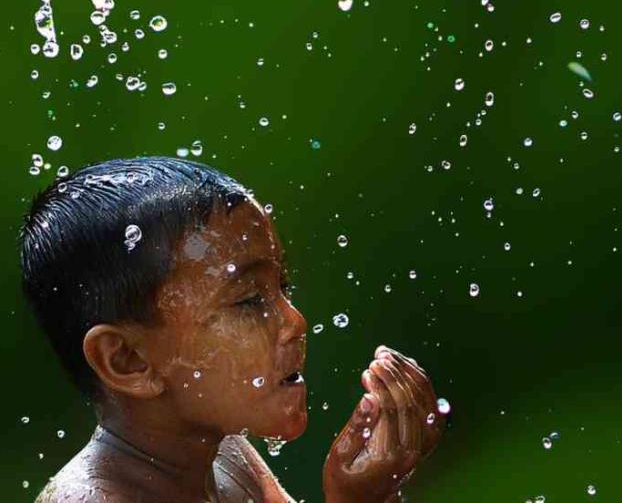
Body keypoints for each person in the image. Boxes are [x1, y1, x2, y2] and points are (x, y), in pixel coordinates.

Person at [20, 157, 444, 503]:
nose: (295, 321)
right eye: (248, 300)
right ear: (127, 360)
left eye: (283, 287)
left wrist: (372, 491)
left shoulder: (225, 458)